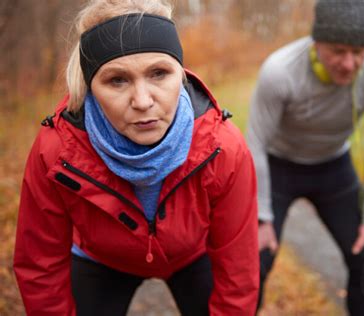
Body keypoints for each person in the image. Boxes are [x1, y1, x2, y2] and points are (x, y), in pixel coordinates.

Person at [13, 0, 259, 315]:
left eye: (159, 73)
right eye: (117, 80)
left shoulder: (222, 147)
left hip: (192, 256)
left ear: (179, 75)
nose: (142, 101)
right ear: (91, 88)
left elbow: (239, 269)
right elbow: (40, 266)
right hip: (100, 259)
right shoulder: (57, 151)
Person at [247, 0, 364, 315]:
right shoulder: (280, 71)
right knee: (255, 259)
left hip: (333, 168)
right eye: (338, 51)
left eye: (359, 52)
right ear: (316, 43)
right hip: (278, 167)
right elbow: (255, 145)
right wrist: (262, 217)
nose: (349, 63)